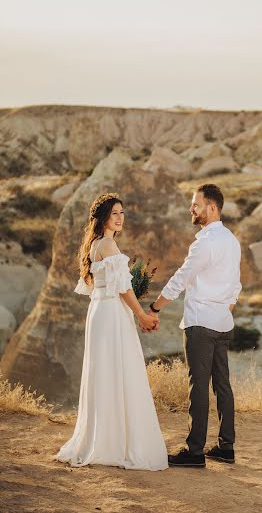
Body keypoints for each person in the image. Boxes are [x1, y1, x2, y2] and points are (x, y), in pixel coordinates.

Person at [54, 193, 168, 471]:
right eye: (115, 213)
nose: (120, 218)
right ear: (103, 218)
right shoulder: (108, 245)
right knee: (120, 371)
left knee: (105, 373)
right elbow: (123, 288)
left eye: (122, 213)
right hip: (112, 313)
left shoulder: (95, 245)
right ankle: (116, 444)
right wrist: (141, 314)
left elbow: (104, 286)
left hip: (100, 312)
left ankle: (104, 438)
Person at [147, 184, 242, 468]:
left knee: (198, 386)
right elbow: (236, 286)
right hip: (223, 323)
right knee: (222, 385)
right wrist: (223, 309)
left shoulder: (205, 242)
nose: (192, 209)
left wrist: (153, 308)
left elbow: (181, 278)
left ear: (212, 207)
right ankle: (226, 447)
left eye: (196, 204)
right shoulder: (231, 241)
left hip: (200, 323)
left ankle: (195, 450)